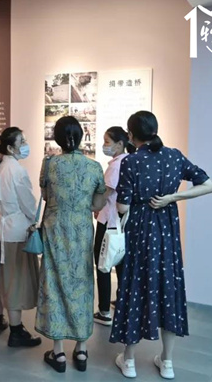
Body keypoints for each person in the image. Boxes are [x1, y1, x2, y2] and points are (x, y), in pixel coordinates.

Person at [110, 111, 212, 380]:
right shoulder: (174, 156)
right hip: (167, 233)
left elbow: (122, 207)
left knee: (134, 288)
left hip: (140, 234)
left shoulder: (131, 161)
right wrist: (172, 197)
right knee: (169, 288)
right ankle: (167, 362)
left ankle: (129, 361)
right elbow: (208, 185)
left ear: (131, 135)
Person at [35, 117, 107, 373]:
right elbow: (97, 204)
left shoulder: (49, 164)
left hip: (55, 229)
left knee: (54, 282)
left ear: (57, 138)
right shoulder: (94, 167)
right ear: (81, 136)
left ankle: (58, 353)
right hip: (82, 231)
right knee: (82, 283)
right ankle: (82, 349)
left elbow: (46, 196)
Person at [0, 127, 41, 348]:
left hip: (0, 230)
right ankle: (16, 331)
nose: (25, 145)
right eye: (22, 141)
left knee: (0, 277)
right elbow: (28, 204)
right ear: (10, 147)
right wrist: (35, 220)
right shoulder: (17, 170)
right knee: (15, 280)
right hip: (16, 232)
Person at [93, 126, 136, 327]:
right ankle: (122, 303)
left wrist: (95, 206)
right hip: (122, 222)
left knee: (103, 264)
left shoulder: (116, 166)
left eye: (107, 141)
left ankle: (104, 311)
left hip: (108, 222)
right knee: (121, 264)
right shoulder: (130, 161)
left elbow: (106, 193)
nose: (104, 145)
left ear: (120, 144)